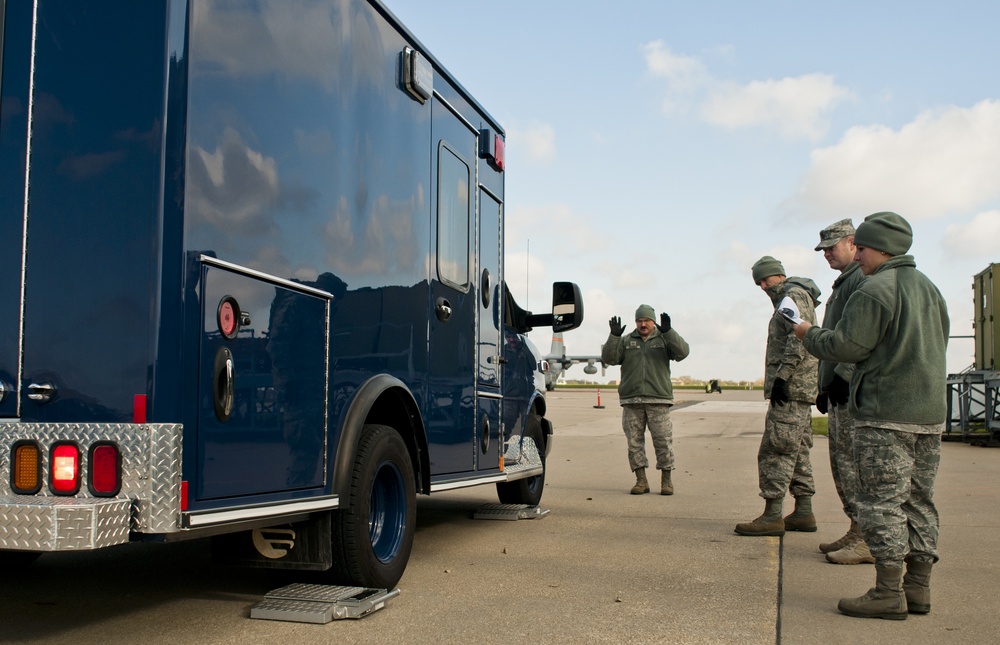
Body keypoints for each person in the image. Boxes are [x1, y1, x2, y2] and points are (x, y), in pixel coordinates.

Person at [794, 212, 949, 620]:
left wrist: (807, 332)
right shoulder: (929, 289)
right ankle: (917, 589)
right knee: (919, 502)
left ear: (881, 248)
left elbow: (846, 346)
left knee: (881, 503)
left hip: (884, 414)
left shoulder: (877, 289)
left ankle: (886, 592)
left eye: (861, 247)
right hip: (928, 415)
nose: (856, 254)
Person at [735, 257, 820, 537]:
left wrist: (783, 377)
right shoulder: (796, 295)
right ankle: (804, 511)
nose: (762, 286)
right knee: (797, 449)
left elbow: (799, 337)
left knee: (777, 449)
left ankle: (772, 515)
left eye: (765, 280)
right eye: (758, 282)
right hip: (800, 390)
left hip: (791, 389)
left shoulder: (791, 297)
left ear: (779, 275)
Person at [813, 219, 873, 565]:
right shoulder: (846, 282)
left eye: (831, 248)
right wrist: (825, 384)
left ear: (852, 243)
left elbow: (862, 336)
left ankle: (866, 537)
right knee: (841, 463)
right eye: (823, 250)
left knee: (854, 466)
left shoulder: (861, 281)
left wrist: (844, 375)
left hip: (852, 391)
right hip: (838, 390)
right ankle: (856, 528)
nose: (826, 255)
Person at [601, 305, 690, 495]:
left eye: (647, 320)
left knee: (663, 441)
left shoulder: (664, 340)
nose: (643, 324)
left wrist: (669, 332)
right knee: (634, 443)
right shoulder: (626, 341)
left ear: (653, 321)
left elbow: (683, 353)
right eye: (640, 321)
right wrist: (614, 337)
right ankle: (641, 480)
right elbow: (609, 358)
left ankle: (667, 481)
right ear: (636, 322)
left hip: (658, 399)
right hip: (632, 400)